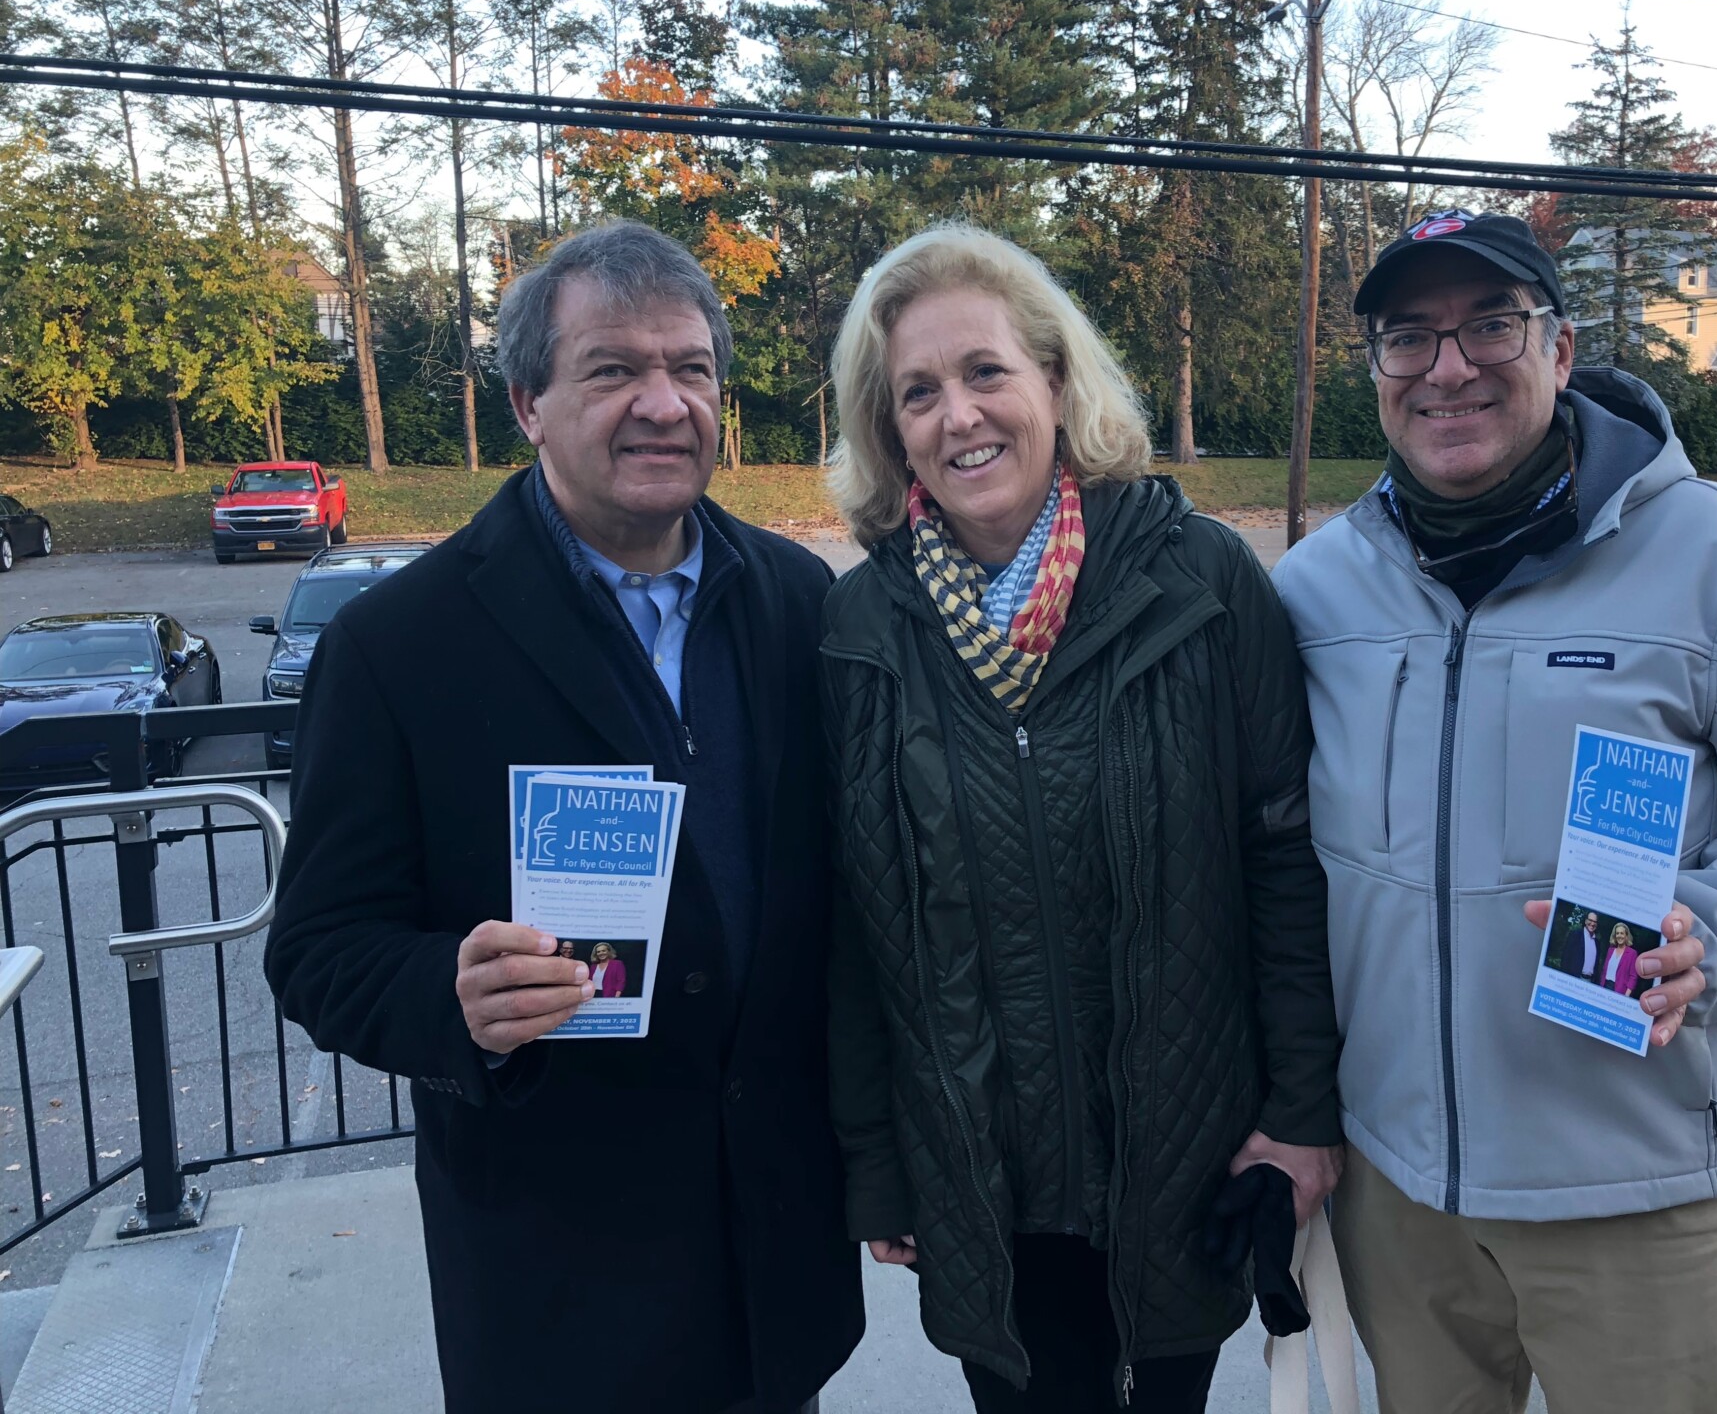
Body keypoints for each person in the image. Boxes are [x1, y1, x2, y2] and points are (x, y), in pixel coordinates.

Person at [1271, 209, 1717, 1414]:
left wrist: (1713, 936)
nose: (1447, 367)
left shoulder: (1713, 556)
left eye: (1488, 327)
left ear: (1560, 351)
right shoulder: (1317, 585)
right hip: (1397, 1191)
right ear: (1375, 373)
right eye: (1407, 338)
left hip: (1634, 1196)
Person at [264, 221, 862, 1413]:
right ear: (529, 402)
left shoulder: (800, 603)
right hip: (560, 1283)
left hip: (772, 1259)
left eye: (690, 369)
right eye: (613, 370)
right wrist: (453, 997)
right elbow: (321, 951)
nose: (661, 403)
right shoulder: (399, 646)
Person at [820, 224, 1342, 1413]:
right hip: (979, 1174)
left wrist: (1301, 1113)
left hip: (1186, 1154)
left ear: (1055, 381)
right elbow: (854, 924)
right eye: (918, 392)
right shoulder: (861, 631)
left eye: (985, 372)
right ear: (887, 426)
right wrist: (874, 1167)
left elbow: (1285, 859)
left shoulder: (1200, 581)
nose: (959, 416)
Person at [1600, 922, 1638, 998]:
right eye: (1617, 933)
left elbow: (1633, 976)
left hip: (1619, 991)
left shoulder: (1632, 953)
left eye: (1622, 933)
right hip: (1605, 987)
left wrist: (1626, 995)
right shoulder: (1610, 950)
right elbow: (1604, 971)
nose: (1619, 936)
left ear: (1626, 936)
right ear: (1615, 936)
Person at [1566, 910, 1600, 980]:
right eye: (1590, 920)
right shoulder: (1575, 935)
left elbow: (1597, 966)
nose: (1592, 924)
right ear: (1585, 921)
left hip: (1590, 981)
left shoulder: (1597, 943)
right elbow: (1566, 958)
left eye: (1595, 922)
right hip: (1574, 978)